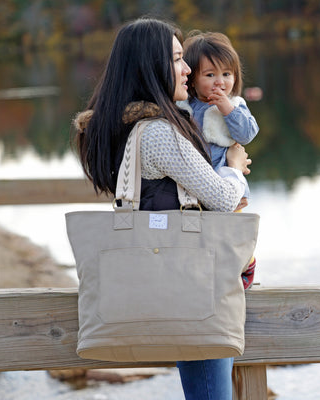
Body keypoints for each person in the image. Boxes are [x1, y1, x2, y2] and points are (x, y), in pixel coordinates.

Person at [73, 18, 251, 400]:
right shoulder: (158, 132)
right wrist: (234, 168)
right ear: (149, 67)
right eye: (176, 59)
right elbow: (223, 199)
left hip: (174, 278)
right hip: (193, 280)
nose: (187, 68)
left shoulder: (131, 125)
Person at [178, 31, 259, 289]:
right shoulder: (185, 106)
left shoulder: (235, 105)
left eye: (226, 74)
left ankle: (244, 268)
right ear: (192, 79)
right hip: (196, 188)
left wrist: (227, 109)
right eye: (210, 75)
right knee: (205, 239)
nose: (219, 82)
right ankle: (209, 281)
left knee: (232, 235)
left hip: (228, 184)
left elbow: (247, 134)